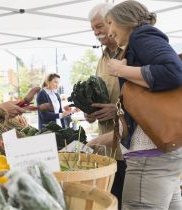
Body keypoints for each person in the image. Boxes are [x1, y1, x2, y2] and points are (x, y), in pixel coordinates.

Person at [93, 1, 182, 209]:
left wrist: (120, 70)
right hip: (163, 153)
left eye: (110, 23)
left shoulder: (142, 35)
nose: (109, 30)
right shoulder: (139, 42)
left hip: (149, 156)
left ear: (126, 20)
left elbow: (174, 72)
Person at [87, 3, 126, 209]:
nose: (97, 32)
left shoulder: (129, 51)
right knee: (112, 201)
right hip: (107, 149)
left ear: (112, 23)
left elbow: (141, 96)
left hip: (128, 147)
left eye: (100, 26)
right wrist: (90, 112)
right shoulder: (102, 59)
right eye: (93, 28)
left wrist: (115, 108)